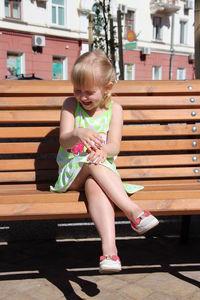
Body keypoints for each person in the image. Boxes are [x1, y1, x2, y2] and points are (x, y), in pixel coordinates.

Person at [51, 50, 159, 274]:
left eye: (89, 92)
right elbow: (64, 139)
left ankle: (110, 253)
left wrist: (103, 152)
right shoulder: (70, 105)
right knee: (91, 163)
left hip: (100, 171)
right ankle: (133, 212)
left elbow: (114, 146)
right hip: (72, 171)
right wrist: (78, 132)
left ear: (107, 88)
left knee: (95, 184)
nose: (82, 97)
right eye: (77, 90)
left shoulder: (115, 110)